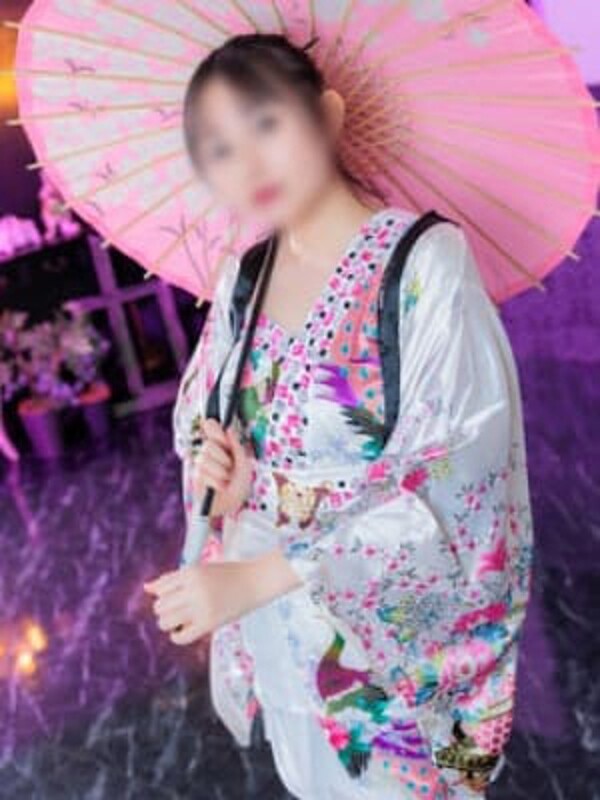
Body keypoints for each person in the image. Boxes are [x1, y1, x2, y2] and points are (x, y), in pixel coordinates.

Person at [143, 33, 534, 799]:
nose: (247, 164)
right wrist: (228, 480)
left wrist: (270, 574)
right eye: (218, 149)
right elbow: (209, 426)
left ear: (326, 114)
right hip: (274, 622)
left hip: (386, 637)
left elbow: (460, 470)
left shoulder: (422, 263)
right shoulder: (242, 280)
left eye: (265, 124)